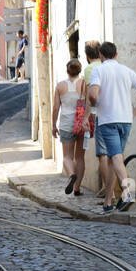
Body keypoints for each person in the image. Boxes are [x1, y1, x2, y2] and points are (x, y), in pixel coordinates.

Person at [86, 41, 136, 214]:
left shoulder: (98, 70)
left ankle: (128, 192)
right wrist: (135, 112)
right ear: (116, 54)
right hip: (125, 120)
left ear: (101, 55)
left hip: (108, 120)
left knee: (115, 158)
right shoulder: (127, 71)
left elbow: (92, 94)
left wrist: (95, 104)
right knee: (113, 161)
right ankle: (108, 201)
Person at [52, 58, 87, 195]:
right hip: (81, 123)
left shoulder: (60, 86)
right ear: (79, 70)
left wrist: (53, 125)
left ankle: (71, 174)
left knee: (67, 156)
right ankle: (77, 188)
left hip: (66, 124)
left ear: (67, 71)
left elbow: (56, 108)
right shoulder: (84, 84)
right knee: (80, 158)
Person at [82, 38, 103, 195]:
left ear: (87, 55)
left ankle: (107, 189)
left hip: (98, 114)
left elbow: (91, 94)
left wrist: (85, 117)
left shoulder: (89, 69)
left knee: (102, 155)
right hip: (112, 112)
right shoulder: (104, 65)